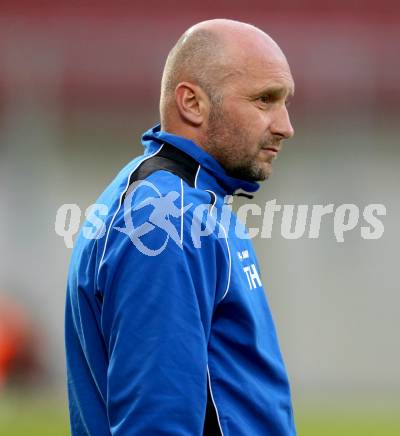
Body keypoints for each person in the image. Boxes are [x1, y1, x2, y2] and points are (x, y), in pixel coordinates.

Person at [65, 18, 296, 435]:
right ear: (192, 103)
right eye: (265, 100)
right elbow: (157, 422)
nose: (285, 126)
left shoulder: (192, 200)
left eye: (285, 102)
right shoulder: (165, 220)